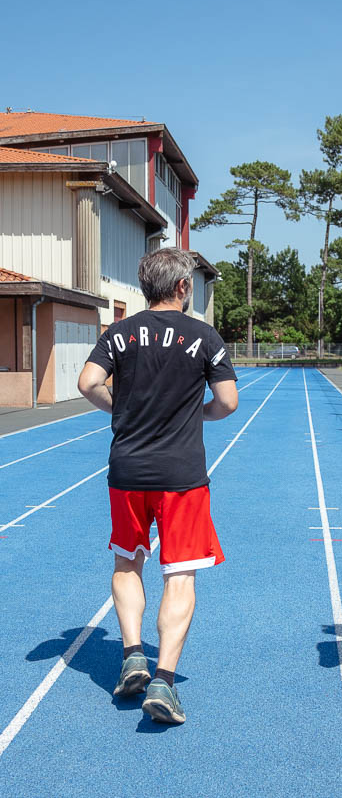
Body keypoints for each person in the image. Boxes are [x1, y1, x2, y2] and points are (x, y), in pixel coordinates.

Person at [78, 248, 238, 725]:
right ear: (183, 287)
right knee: (180, 574)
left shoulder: (119, 333)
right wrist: (198, 414)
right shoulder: (204, 336)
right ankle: (164, 681)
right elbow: (228, 401)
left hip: (127, 470)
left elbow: (87, 382)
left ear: (145, 285)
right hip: (181, 476)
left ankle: (132, 655)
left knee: (128, 562)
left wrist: (121, 410)